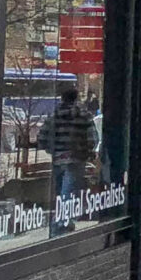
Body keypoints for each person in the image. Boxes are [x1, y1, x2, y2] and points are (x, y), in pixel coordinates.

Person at [38, 88, 97, 234]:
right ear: (76, 98)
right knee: (69, 191)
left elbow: (42, 138)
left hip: (58, 159)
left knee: (60, 191)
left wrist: (52, 149)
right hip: (76, 159)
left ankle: (62, 221)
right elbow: (93, 139)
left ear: (62, 98)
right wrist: (87, 151)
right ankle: (62, 222)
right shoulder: (84, 116)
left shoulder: (54, 116)